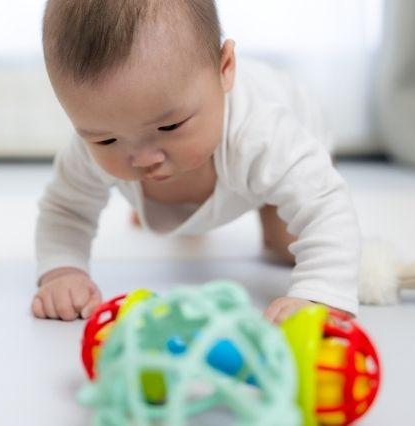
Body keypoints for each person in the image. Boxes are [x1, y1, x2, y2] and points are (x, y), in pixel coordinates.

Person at [32, 0, 360, 323]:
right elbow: (67, 209)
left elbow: (325, 204)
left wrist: (320, 295)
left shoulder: (260, 134)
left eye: (169, 126)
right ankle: (178, 207)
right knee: (159, 188)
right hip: (221, 163)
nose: (144, 159)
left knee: (288, 244)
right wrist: (63, 272)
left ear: (224, 69)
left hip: (294, 144)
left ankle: (257, 207)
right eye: (106, 140)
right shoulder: (92, 147)